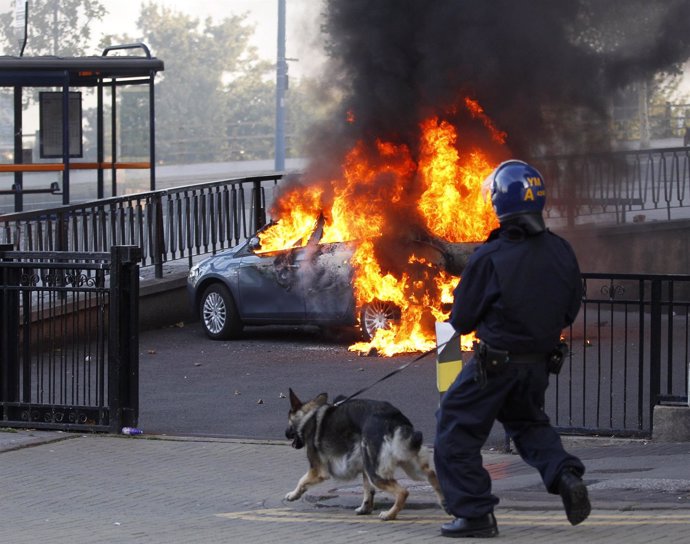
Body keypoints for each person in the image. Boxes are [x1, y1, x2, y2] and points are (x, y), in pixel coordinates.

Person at [434, 160, 590, 538]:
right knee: (528, 423)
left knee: (455, 427)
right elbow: (571, 307)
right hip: (538, 365)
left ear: (500, 203)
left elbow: (462, 320)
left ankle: (474, 515)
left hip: (495, 365)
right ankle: (565, 474)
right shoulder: (561, 250)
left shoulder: (490, 257)